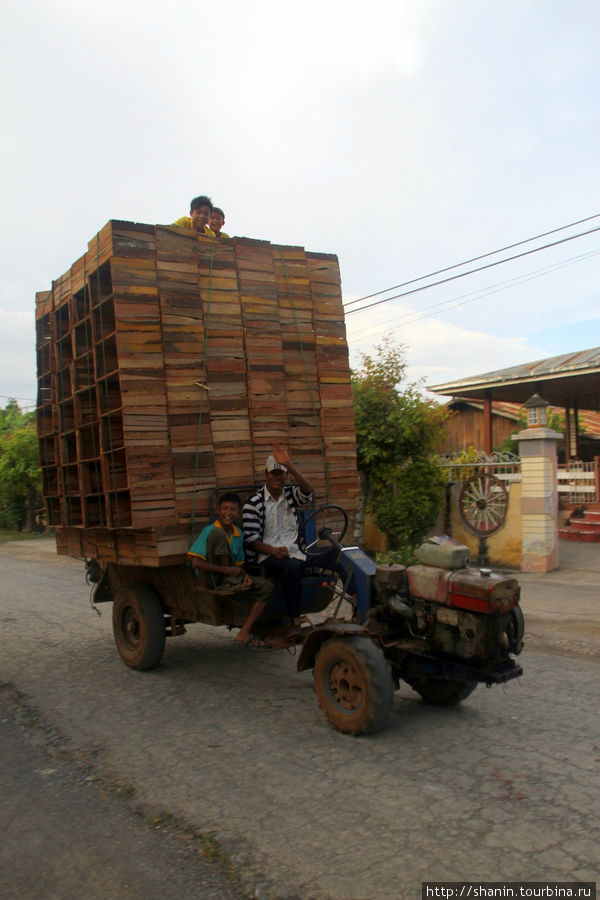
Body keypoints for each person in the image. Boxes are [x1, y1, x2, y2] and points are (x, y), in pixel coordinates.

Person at [243, 444, 350, 638]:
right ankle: (294, 620)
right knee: (292, 568)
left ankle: (358, 604)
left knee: (340, 555)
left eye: (281, 474)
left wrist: (289, 465)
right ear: (266, 475)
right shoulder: (254, 503)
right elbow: (251, 540)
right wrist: (274, 551)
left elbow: (309, 491)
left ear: (286, 476)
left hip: (296, 551)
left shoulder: (290, 495)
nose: (277, 477)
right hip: (266, 557)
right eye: (274, 473)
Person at [187, 492, 274, 648]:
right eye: (225, 509)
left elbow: (238, 565)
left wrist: (244, 575)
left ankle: (244, 632)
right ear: (218, 511)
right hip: (211, 578)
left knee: (267, 587)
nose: (228, 513)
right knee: (218, 534)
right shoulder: (210, 530)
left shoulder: (238, 534)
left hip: (232, 577)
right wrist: (227, 571)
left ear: (239, 513)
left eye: (233, 509)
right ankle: (228, 582)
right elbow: (196, 563)